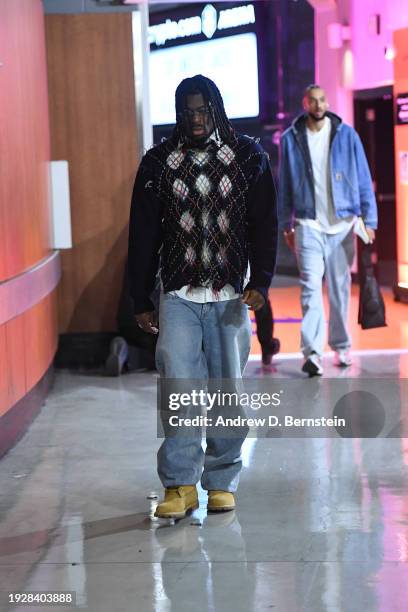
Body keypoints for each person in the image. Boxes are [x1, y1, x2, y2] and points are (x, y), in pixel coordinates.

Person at [128, 75, 277, 518]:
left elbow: (265, 224)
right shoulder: (159, 163)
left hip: (230, 294)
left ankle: (222, 479)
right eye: (187, 111)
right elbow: (143, 235)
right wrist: (139, 297)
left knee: (227, 390)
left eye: (201, 110)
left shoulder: (248, 156)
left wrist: (262, 281)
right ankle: (180, 484)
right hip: (178, 294)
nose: (194, 119)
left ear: (215, 108)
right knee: (179, 388)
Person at [278, 84, 377, 376]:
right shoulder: (291, 139)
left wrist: (369, 221)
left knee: (339, 290)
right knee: (310, 289)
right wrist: (286, 224)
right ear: (305, 103)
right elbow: (284, 185)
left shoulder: (347, 136)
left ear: (328, 102)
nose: (319, 105)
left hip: (343, 225)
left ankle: (341, 345)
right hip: (308, 224)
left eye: (323, 100)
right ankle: (312, 353)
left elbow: (363, 178)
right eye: (313, 101)